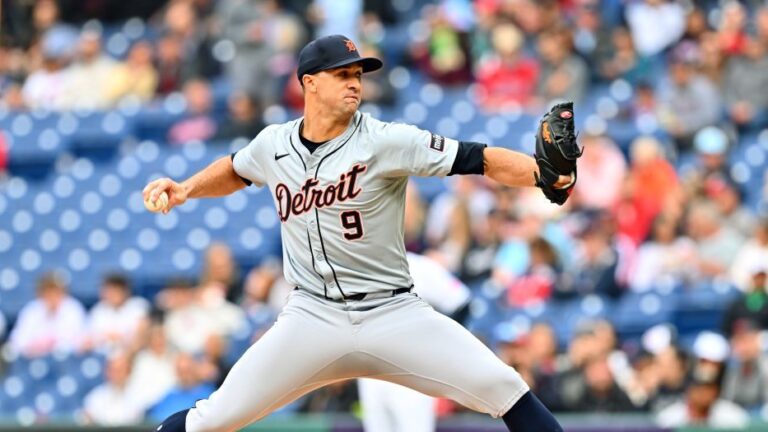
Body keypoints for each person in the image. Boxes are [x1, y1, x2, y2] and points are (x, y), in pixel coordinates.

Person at [145, 34, 574, 432]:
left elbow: (477, 158)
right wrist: (186, 189)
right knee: (211, 418)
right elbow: (237, 169)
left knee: (505, 387)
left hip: (392, 312)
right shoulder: (273, 143)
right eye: (343, 74)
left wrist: (542, 175)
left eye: (357, 75)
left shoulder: (385, 140)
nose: (355, 83)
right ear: (309, 83)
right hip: (311, 316)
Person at [358, 252, 471, 432]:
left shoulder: (419, 266)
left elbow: (462, 302)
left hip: (411, 370)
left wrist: (438, 348)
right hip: (370, 371)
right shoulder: (356, 268)